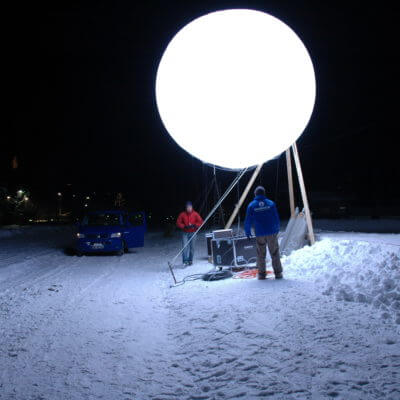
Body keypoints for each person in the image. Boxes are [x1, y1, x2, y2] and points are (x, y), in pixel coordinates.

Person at [244, 186, 283, 280]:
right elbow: (276, 218)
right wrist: (277, 229)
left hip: (260, 233)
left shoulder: (251, 205)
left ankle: (261, 275)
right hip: (271, 232)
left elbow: (248, 220)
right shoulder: (271, 203)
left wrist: (248, 232)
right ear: (264, 193)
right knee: (274, 253)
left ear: (255, 194)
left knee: (261, 254)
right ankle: (278, 274)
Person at [176, 201, 203, 266]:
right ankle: (185, 261)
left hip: (193, 233)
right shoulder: (182, 214)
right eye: (187, 207)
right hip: (185, 233)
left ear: (192, 207)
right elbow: (178, 222)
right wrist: (184, 226)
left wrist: (195, 225)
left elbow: (201, 221)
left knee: (192, 248)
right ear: (186, 208)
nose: (189, 208)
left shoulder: (195, 214)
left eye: (190, 207)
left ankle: (190, 260)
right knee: (185, 247)